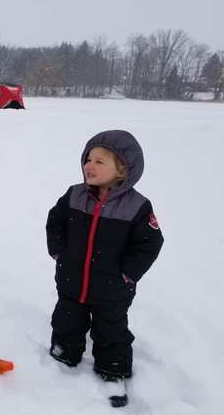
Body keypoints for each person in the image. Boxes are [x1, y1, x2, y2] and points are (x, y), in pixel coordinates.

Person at [45, 130, 163, 404]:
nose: (90, 165)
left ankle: (112, 370)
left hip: (112, 290)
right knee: (66, 321)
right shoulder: (74, 196)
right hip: (71, 282)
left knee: (112, 331)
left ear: (122, 170)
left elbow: (149, 242)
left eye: (100, 162)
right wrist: (58, 251)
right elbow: (55, 220)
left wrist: (128, 274)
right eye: (88, 159)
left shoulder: (137, 207)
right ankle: (64, 356)